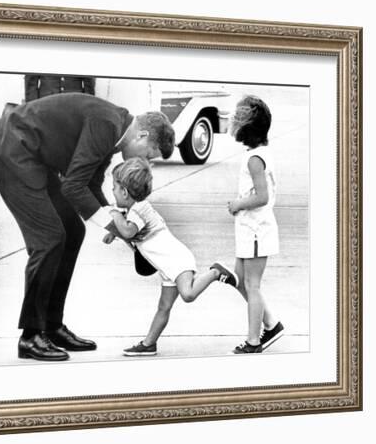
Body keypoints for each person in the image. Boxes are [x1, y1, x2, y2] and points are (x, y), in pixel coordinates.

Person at [0, 92, 175, 361]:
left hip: (33, 156)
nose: (146, 162)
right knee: (49, 239)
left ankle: (51, 326)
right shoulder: (106, 125)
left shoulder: (115, 132)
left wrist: (123, 230)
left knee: (73, 231)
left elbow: (89, 184)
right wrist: (115, 225)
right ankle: (30, 335)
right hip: (11, 149)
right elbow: (73, 187)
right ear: (142, 135)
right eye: (150, 155)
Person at [102, 157, 239, 356]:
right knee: (163, 306)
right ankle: (149, 344)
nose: (112, 191)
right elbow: (128, 229)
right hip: (167, 268)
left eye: (114, 187)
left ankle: (215, 272)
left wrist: (113, 214)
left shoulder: (140, 208)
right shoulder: (133, 210)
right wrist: (114, 232)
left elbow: (130, 232)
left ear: (124, 191)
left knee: (188, 295)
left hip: (177, 260)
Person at [227, 95, 284, 354]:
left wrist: (238, 204)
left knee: (252, 285)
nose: (233, 123)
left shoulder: (254, 159)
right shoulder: (257, 154)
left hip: (256, 231)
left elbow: (262, 197)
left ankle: (253, 341)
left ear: (246, 128)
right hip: (250, 230)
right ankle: (271, 324)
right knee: (240, 280)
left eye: (238, 119)